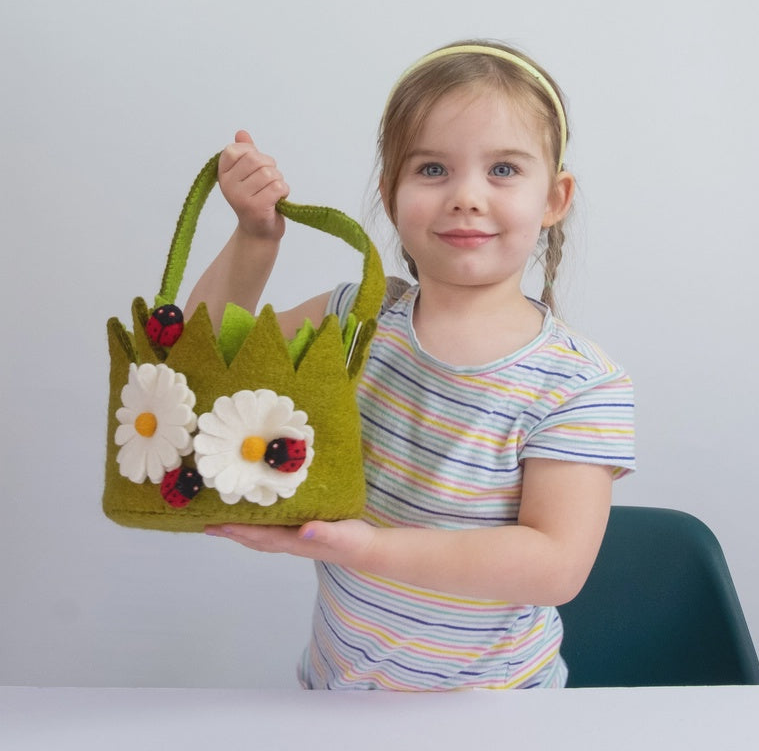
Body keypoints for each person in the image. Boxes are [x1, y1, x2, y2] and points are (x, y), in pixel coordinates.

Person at [189, 40, 635, 689]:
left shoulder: (580, 384)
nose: (466, 196)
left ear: (554, 198)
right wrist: (255, 237)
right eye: (431, 169)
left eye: (503, 169)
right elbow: (199, 365)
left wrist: (366, 547)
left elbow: (554, 567)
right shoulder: (353, 321)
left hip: (499, 712)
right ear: (391, 193)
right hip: (337, 696)